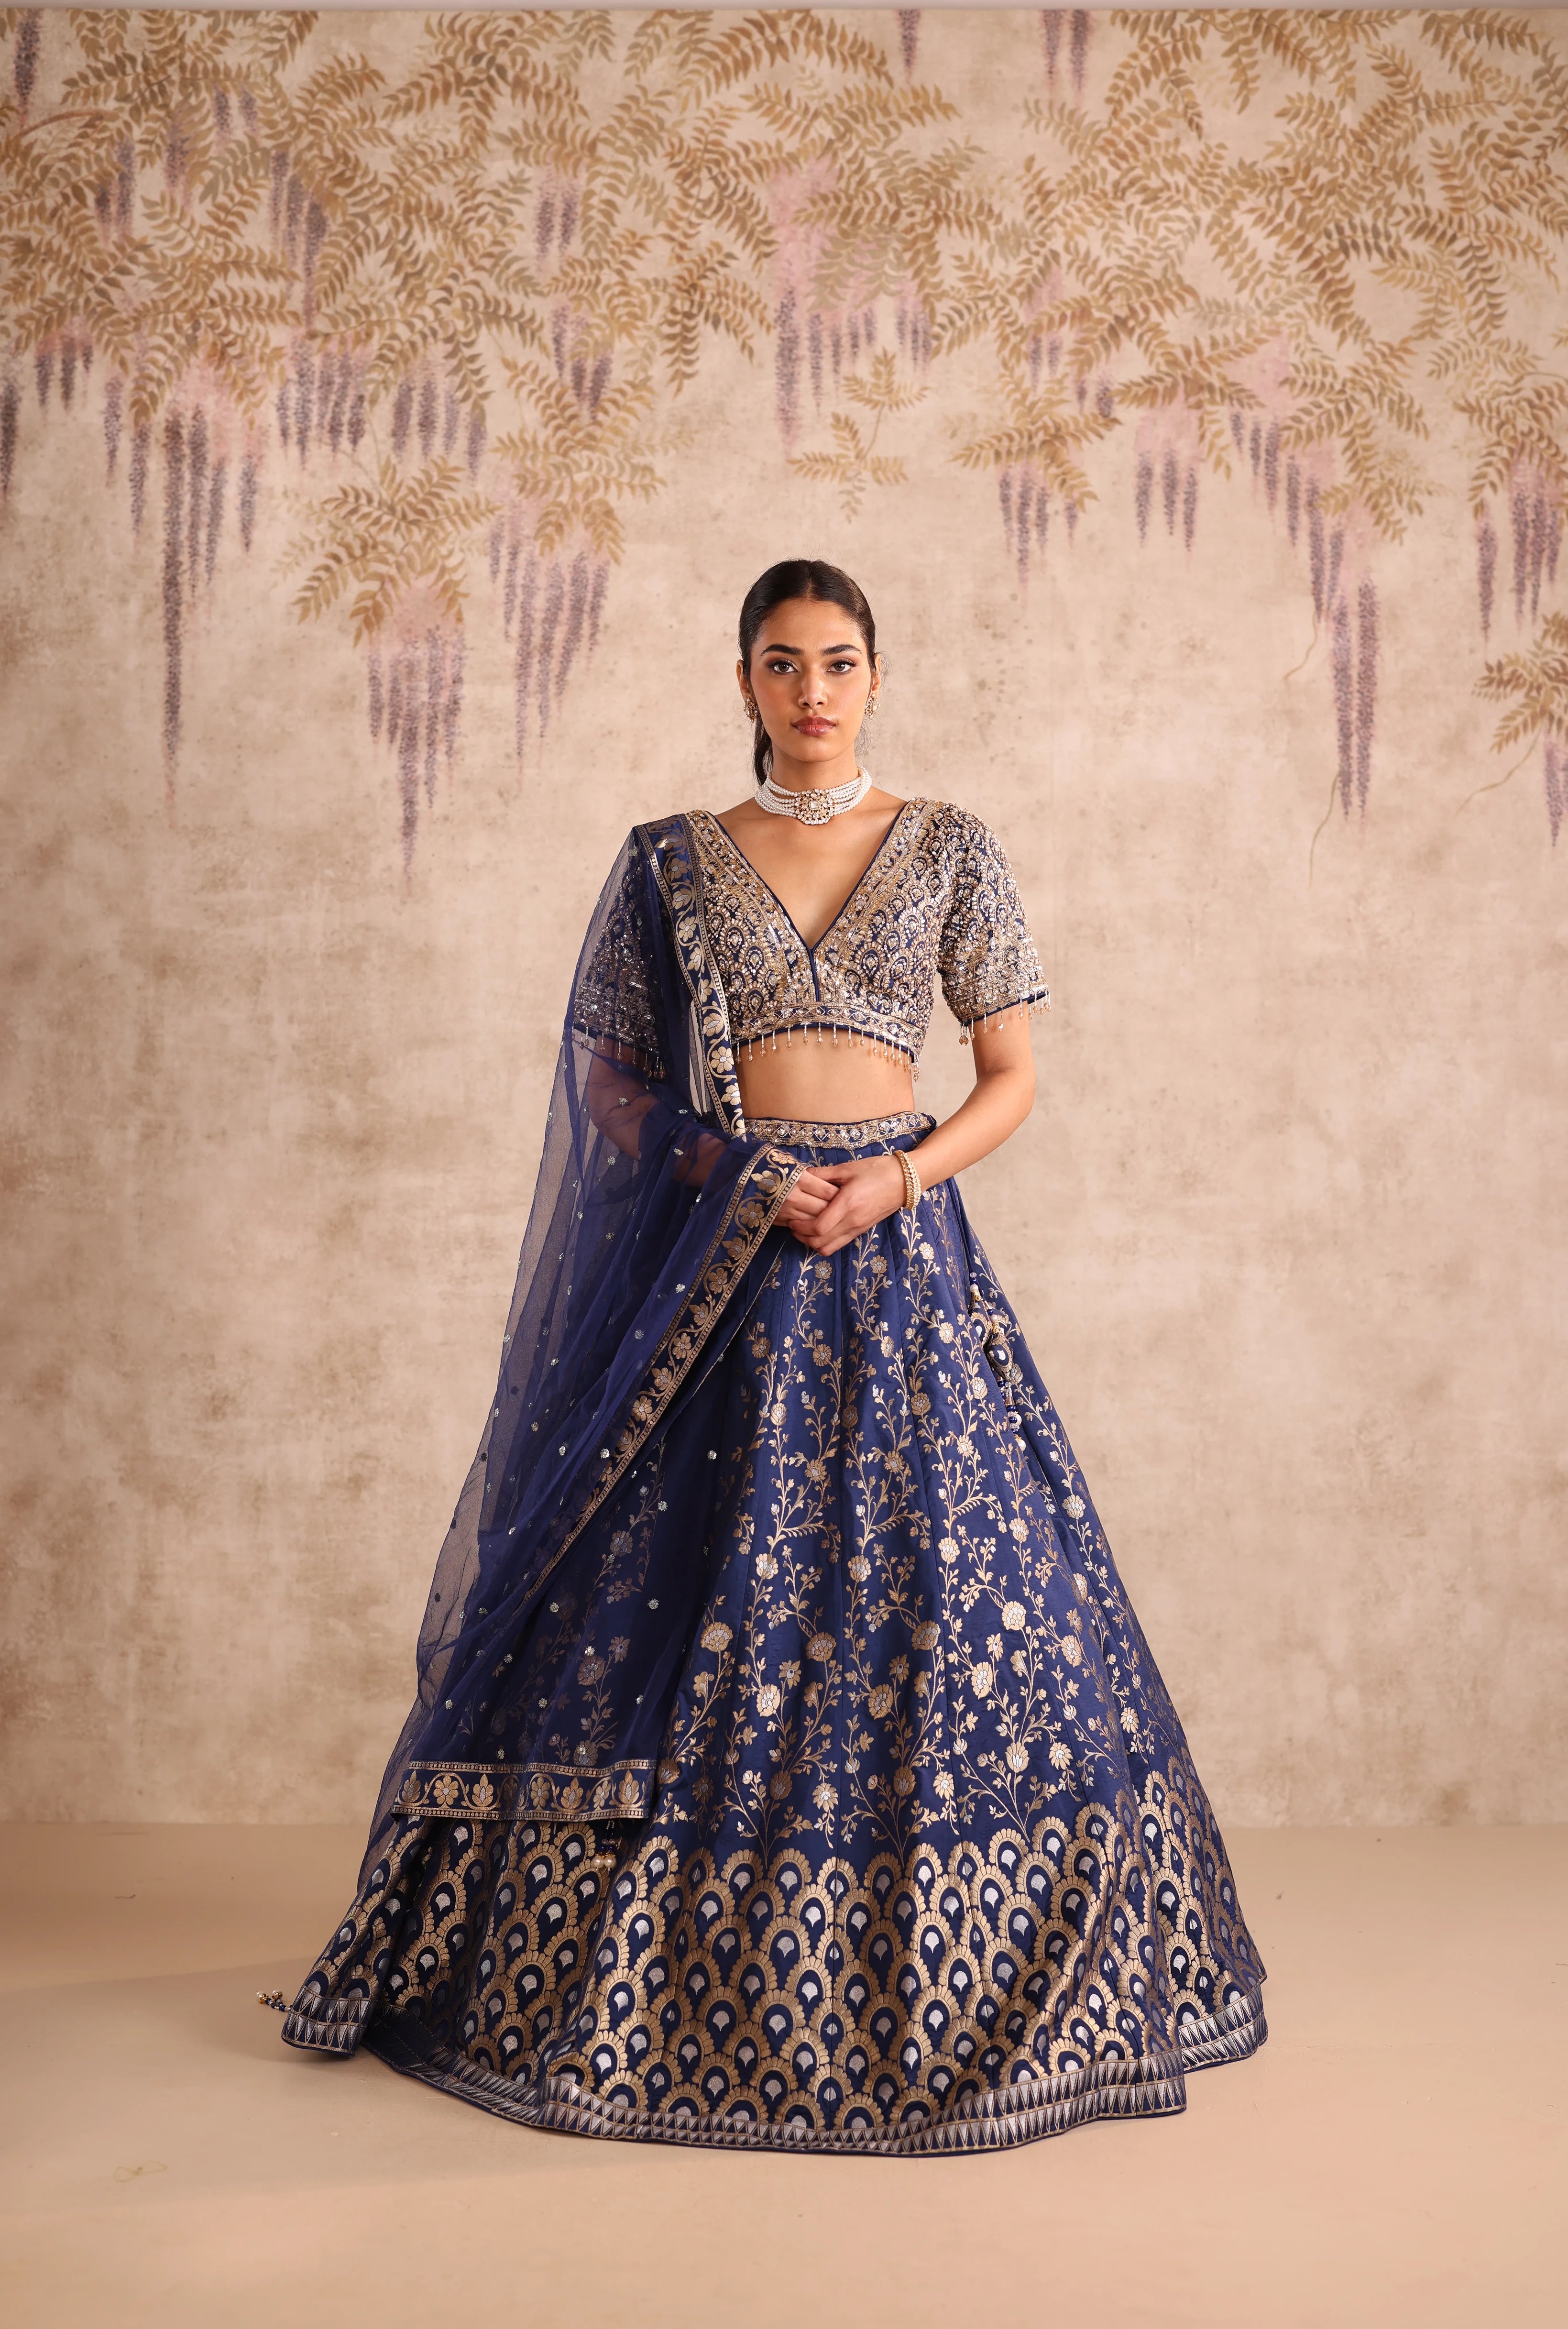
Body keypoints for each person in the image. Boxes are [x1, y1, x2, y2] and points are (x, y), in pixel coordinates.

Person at [277, 557, 1266, 2153]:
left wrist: (900, 1174)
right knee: (692, 1600)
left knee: (949, 1593)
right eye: (784, 662)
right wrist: (723, 1170)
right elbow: (605, 1076)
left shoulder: (953, 849)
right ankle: (665, 1972)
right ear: (744, 681)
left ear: (879, 677)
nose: (814, 691)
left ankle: (950, 1975)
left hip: (894, 1256)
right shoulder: (666, 862)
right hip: (724, 1266)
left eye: (842, 660)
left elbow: (1012, 1073)